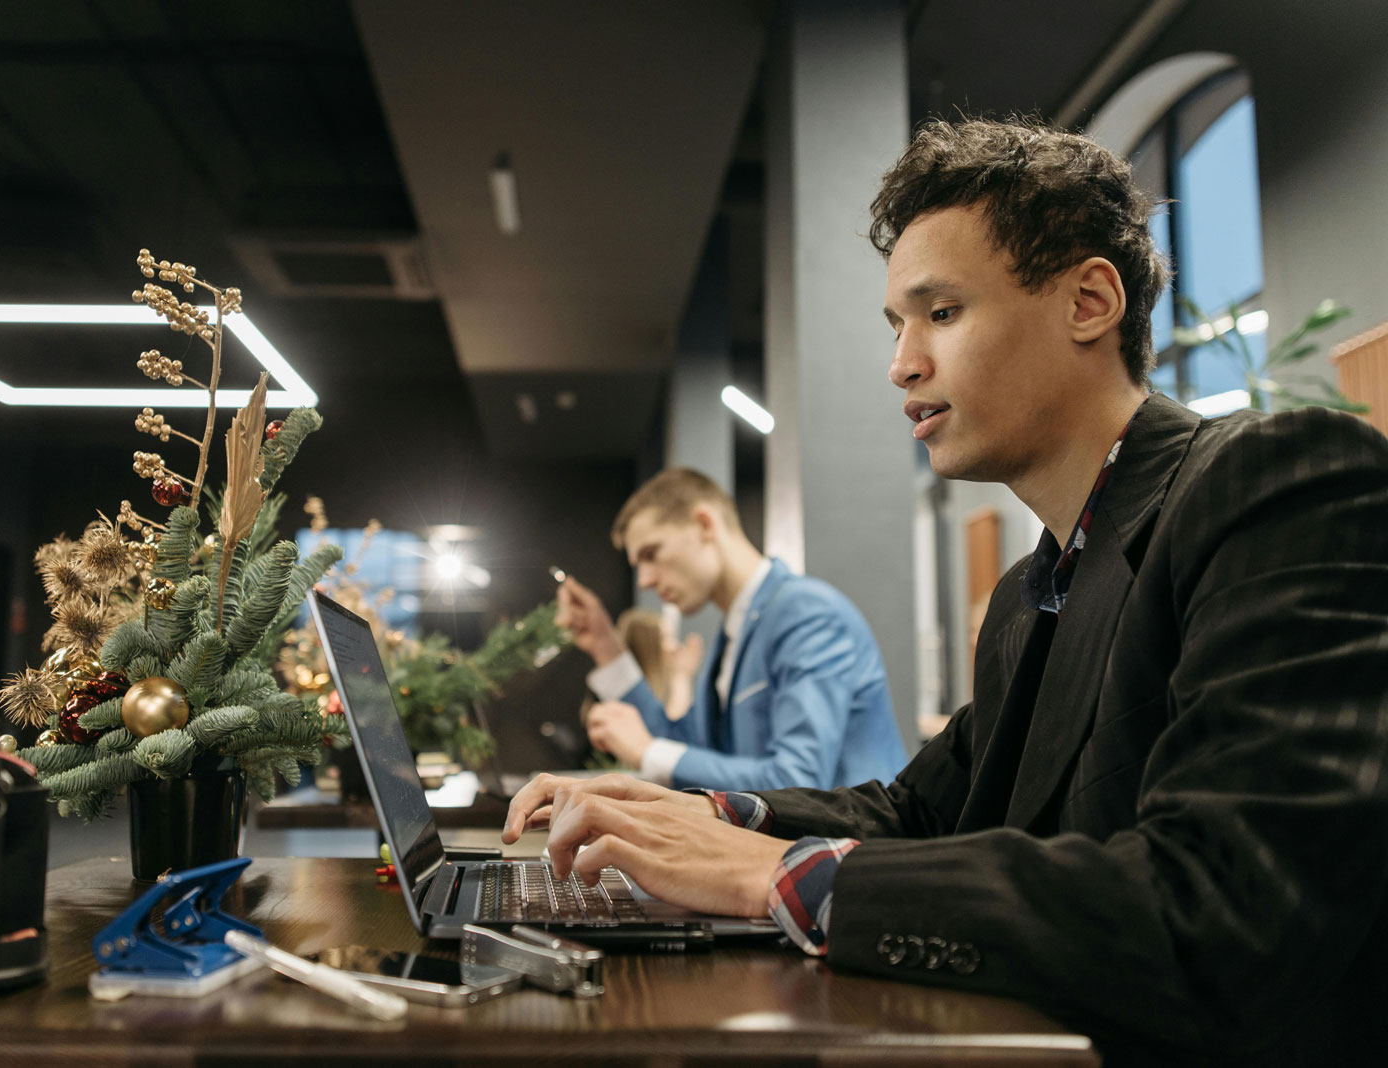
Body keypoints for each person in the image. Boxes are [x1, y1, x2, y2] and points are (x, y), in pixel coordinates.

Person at [506, 117, 1388, 1066]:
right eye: (897, 325)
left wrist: (777, 878)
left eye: (943, 313)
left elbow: (1228, 903)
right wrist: (702, 817)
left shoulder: (1277, 482)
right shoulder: (1028, 593)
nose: (902, 365)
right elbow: (916, 812)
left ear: (1090, 300)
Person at [557, 468, 907, 791]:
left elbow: (799, 781)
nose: (646, 580)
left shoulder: (807, 613)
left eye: (652, 553)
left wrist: (648, 752)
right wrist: (605, 646)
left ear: (705, 524)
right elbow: (686, 749)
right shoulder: (730, 638)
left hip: (856, 854)